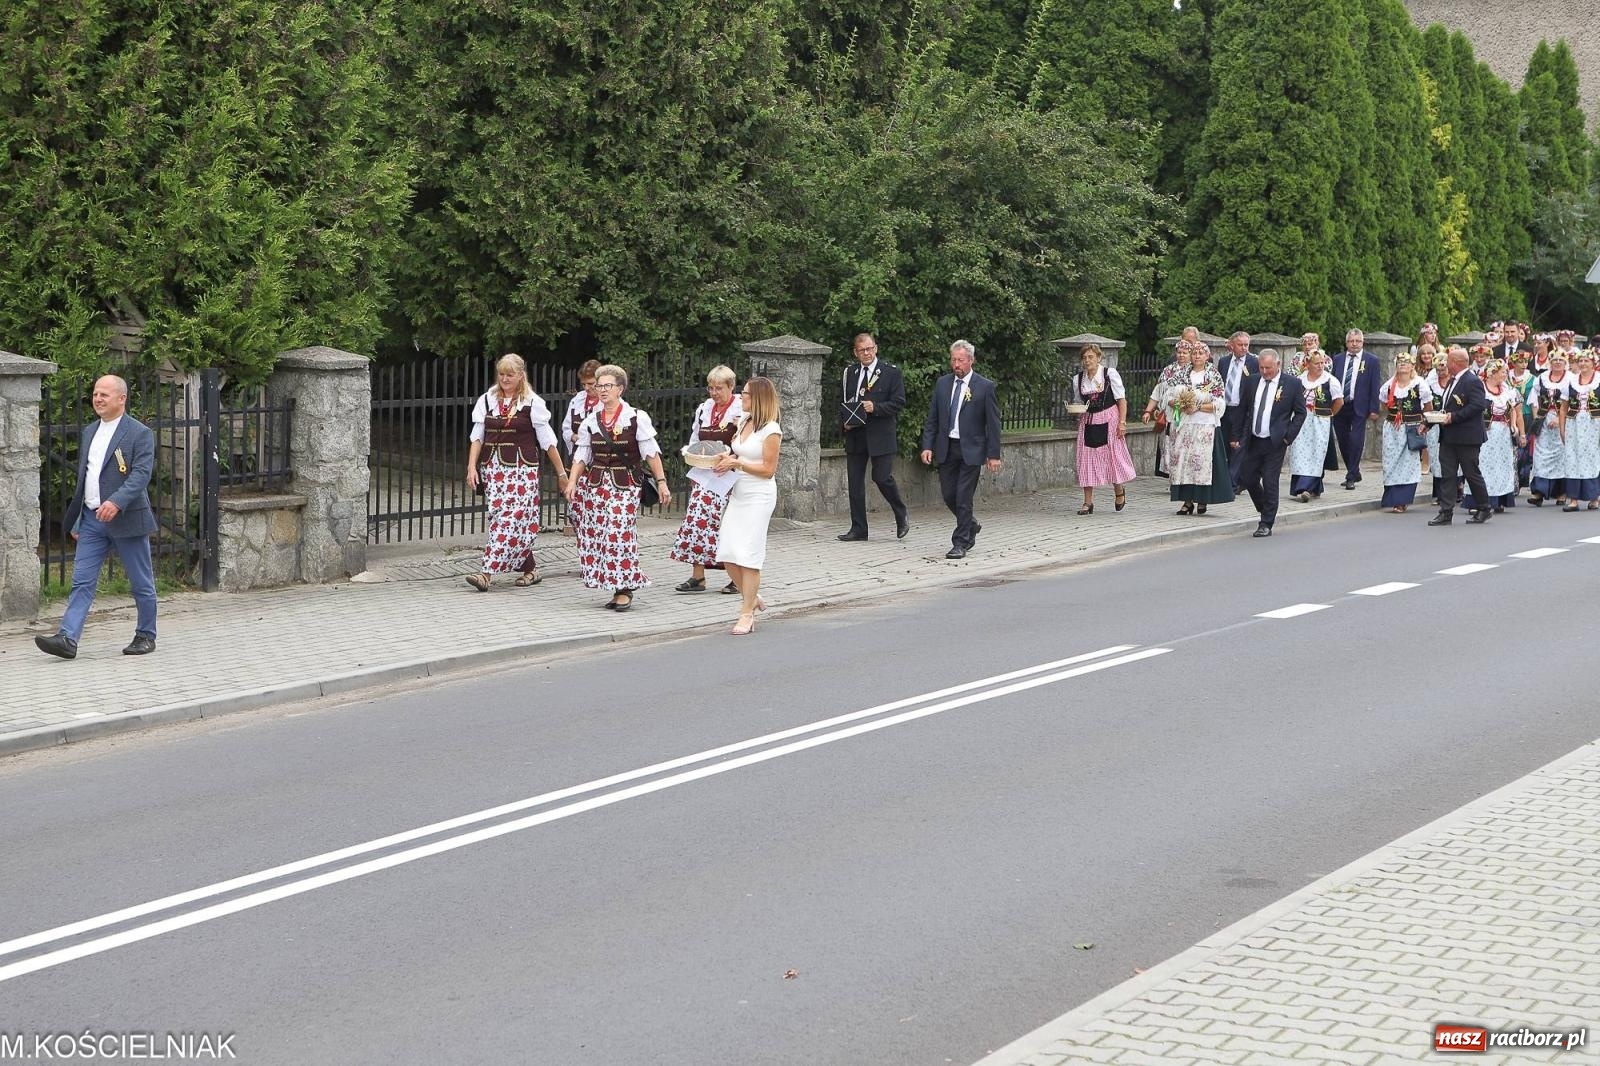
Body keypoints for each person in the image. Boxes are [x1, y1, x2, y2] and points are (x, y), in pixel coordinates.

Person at [36, 374, 159, 659]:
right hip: (92, 520)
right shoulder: (90, 431)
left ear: (121, 399)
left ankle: (145, 634)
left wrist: (116, 502)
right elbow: (88, 479)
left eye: (104, 394)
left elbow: (140, 475)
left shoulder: (139, 433)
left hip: (126, 519)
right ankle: (68, 638)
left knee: (140, 581)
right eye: (95, 394)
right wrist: (80, 516)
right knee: (82, 580)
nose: (98, 399)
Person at [564, 364, 672, 610]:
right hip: (597, 486)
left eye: (607, 385)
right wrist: (572, 481)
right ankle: (615, 586)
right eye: (599, 385)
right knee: (602, 535)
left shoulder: (635, 417)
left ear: (620, 388)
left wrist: (662, 482)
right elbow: (583, 453)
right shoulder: (592, 420)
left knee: (617, 532)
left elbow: (650, 452)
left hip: (625, 485)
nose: (602, 390)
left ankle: (625, 587)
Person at [464, 354, 567, 591]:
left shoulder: (532, 402)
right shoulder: (488, 399)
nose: (505, 379)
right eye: (501, 374)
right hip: (494, 469)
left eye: (510, 374)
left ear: (521, 375)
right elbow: (478, 436)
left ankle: (486, 574)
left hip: (523, 471)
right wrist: (472, 466)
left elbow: (547, 441)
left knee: (510, 520)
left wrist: (561, 474)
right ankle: (531, 569)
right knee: (500, 519)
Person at [920, 339, 1003, 559]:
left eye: (960, 360)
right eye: (953, 359)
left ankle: (960, 542)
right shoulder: (943, 384)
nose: (956, 364)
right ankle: (970, 524)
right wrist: (927, 445)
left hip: (972, 450)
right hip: (947, 447)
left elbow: (993, 423)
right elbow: (933, 418)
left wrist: (993, 454)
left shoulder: (984, 387)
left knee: (963, 496)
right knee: (949, 495)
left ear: (971, 360)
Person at [712, 377, 783, 636]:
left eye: (746, 394)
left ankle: (746, 613)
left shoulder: (771, 430)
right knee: (728, 552)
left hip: (759, 495)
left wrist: (738, 465)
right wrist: (726, 458)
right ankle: (752, 597)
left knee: (749, 554)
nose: (742, 397)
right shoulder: (744, 422)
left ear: (760, 398)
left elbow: (768, 469)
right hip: (739, 492)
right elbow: (739, 454)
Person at [670, 365, 743, 594]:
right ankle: (698, 576)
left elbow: (745, 442)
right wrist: (691, 458)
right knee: (696, 521)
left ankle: (736, 577)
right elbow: (695, 438)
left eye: (719, 388)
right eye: (710, 388)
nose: (713, 392)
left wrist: (731, 459)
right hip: (704, 474)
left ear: (731, 386)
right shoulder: (705, 408)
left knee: (728, 526)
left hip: (730, 475)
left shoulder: (741, 409)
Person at [838, 332, 910, 542]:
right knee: (855, 484)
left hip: (881, 435)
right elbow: (844, 402)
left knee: (881, 477)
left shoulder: (890, 373)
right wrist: (844, 424)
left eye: (870, 348)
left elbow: (898, 402)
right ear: (856, 353)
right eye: (862, 350)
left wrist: (875, 407)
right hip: (856, 435)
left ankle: (901, 512)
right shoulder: (850, 373)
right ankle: (859, 528)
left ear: (876, 348)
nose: (867, 353)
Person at [1235, 350, 1307, 537]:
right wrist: (1236, 436)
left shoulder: (1292, 384)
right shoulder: (1251, 381)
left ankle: (1266, 522)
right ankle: (1265, 506)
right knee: (1248, 477)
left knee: (1270, 480)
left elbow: (1301, 413)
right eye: (1261, 367)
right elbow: (1243, 410)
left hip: (1275, 441)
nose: (1265, 371)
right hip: (1254, 439)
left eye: (1268, 368)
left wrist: (1287, 436)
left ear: (1278, 365)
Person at [1429, 346, 1491, 526]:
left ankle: (1484, 507)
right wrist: (1429, 422)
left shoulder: (1472, 381)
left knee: (1471, 473)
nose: (1445, 364)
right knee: (1447, 474)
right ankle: (1446, 512)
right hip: (1449, 436)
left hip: (1467, 437)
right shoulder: (1452, 380)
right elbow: (1447, 408)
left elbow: (1478, 405)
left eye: (1448, 361)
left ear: (1455, 363)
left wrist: (1454, 417)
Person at [1167, 341, 1230, 516]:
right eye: (1194, 353)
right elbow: (1169, 397)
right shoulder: (1181, 374)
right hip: (1184, 425)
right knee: (1184, 462)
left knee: (1201, 463)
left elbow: (1219, 402)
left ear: (1207, 356)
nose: (1197, 356)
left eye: (1200, 353)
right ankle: (1187, 501)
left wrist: (1198, 407)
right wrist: (1180, 403)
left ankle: (1202, 499)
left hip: (1204, 425)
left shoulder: (1213, 375)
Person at [1072, 343, 1135, 514]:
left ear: (1099, 358)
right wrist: (1076, 409)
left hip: (1110, 418)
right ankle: (1088, 502)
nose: (1087, 360)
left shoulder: (1109, 374)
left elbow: (1121, 400)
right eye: (1084, 358)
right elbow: (1080, 402)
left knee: (1111, 457)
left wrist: (1122, 423)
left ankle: (1118, 489)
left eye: (1091, 357)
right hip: (1088, 421)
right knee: (1086, 459)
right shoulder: (1078, 379)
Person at [1462, 360, 1524, 514]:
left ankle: (1499, 499)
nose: (1505, 374)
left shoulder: (1507, 389)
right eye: (1502, 372)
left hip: (1502, 433)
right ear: (1493, 373)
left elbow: (1513, 409)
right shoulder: (1480, 388)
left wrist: (1514, 425)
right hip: (1484, 432)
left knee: (1502, 465)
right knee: (1482, 464)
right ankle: (1478, 500)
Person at [1378, 354, 1433, 513]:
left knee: (1408, 464)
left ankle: (1402, 500)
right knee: (1391, 462)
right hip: (1393, 428)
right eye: (1400, 363)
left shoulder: (1419, 384)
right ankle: (1392, 497)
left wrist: (1424, 423)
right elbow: (1383, 404)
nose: (1402, 365)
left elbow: (1428, 406)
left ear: (1412, 366)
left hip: (1411, 427)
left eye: (1406, 363)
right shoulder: (1389, 385)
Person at [1288, 350, 1343, 502]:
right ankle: (1314, 487)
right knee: (1300, 452)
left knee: (1316, 453)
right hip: (1302, 420)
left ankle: (1306, 487)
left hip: (1320, 421)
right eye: (1316, 363)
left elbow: (1339, 401)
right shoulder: (1299, 380)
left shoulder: (1330, 380)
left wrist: (1330, 414)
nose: (1320, 366)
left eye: (1322, 363)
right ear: (1308, 365)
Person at [1329, 329, 1380, 489]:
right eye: (1352, 341)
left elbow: (1374, 385)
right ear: (1347, 343)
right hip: (1340, 405)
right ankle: (1355, 470)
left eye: (1358, 341)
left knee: (1356, 439)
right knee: (1343, 440)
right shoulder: (1337, 359)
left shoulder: (1371, 360)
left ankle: (1351, 476)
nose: (1354, 344)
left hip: (1360, 405)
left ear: (1362, 342)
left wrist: (1374, 408)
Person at [559, 359, 602, 536]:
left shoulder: (608, 401)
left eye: (591, 384)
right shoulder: (577, 400)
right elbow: (566, 427)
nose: (587, 388)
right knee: (577, 508)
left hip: (598, 462)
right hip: (578, 459)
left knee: (597, 508)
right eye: (584, 384)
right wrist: (573, 436)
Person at [1216, 332, 1259, 491]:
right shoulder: (1224, 361)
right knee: (1225, 444)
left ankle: (1231, 483)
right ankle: (1236, 480)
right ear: (1232, 345)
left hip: (1243, 409)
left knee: (1239, 446)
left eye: (1246, 345)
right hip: (1225, 409)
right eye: (1240, 345)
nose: (1244, 348)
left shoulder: (1253, 362)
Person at [1142, 341, 1191, 477]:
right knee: (1169, 445)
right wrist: (1148, 411)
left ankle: (1182, 476)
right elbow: (1157, 393)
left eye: (1185, 353)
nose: (1181, 355)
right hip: (1168, 415)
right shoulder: (1168, 370)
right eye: (1179, 352)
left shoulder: (1193, 371)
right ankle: (1172, 476)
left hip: (1185, 415)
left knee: (1182, 445)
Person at [1528, 351, 1569, 506]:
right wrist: (1537, 418)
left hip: (1562, 421)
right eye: (1554, 360)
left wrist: (1560, 420)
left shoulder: (1571, 379)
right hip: (1544, 420)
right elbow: (1534, 400)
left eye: (1561, 360)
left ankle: (1561, 492)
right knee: (1541, 455)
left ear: (1565, 362)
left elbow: (1571, 403)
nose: (1557, 362)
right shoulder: (1542, 378)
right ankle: (1538, 491)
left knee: (1561, 456)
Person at [1562, 351, 1600, 512]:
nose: (1583, 363)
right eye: (1581, 360)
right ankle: (1573, 499)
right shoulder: (1571, 381)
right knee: (1572, 457)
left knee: (1592, 457)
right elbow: (1563, 408)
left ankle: (1594, 497)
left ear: (1593, 363)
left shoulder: (1598, 380)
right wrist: (1562, 429)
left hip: (1594, 424)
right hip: (1574, 424)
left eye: (1586, 360)